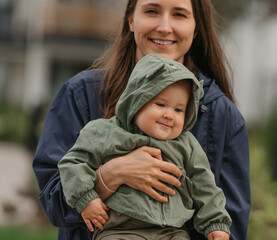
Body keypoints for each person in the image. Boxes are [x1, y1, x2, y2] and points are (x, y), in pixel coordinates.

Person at [32, 0, 251, 239]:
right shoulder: (81, 95)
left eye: (179, 14)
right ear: (130, 19)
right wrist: (110, 176)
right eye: (151, 11)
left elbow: (231, 226)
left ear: (196, 28)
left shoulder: (223, 117)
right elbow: (52, 199)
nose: (164, 27)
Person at [58, 54, 232, 240]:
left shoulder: (187, 145)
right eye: (160, 104)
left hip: (172, 231)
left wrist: (216, 223)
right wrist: (86, 198)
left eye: (178, 109)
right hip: (120, 230)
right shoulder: (103, 132)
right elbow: (73, 163)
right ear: (136, 101)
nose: (169, 115)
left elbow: (204, 185)